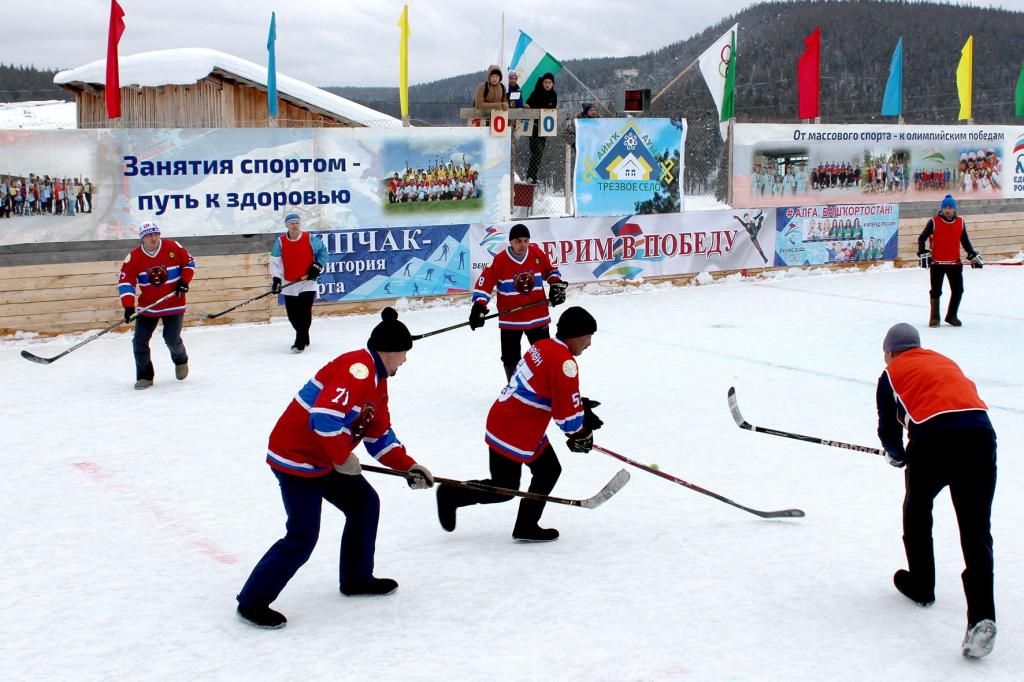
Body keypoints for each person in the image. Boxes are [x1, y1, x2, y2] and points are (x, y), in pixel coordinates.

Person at [236, 308, 435, 629]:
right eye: (404, 354)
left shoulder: (377, 381)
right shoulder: (357, 370)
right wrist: (343, 457)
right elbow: (323, 417)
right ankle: (252, 601)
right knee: (302, 535)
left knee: (364, 505)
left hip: (326, 457)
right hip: (296, 458)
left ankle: (356, 578)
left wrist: (408, 467)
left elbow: (379, 434)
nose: (405, 361)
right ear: (390, 351)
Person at [876, 323, 997, 658]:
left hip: (934, 442)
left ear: (890, 352)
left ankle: (922, 585)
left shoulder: (891, 374)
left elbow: (889, 427)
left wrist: (898, 455)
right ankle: (982, 618)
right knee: (975, 530)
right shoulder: (943, 360)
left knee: (916, 510)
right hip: (980, 435)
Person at [435, 306, 601, 542]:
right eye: (589, 337)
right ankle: (453, 494)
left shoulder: (543, 346)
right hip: (515, 430)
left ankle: (526, 525)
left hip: (508, 420)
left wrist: (579, 407)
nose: (589, 343)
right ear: (577, 334)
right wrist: (581, 431)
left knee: (548, 470)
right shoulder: (566, 363)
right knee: (505, 488)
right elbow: (566, 419)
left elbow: (548, 390)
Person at [469, 223, 567, 381]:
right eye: (518, 241)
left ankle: (546, 386)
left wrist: (556, 285)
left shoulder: (536, 253)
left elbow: (550, 270)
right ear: (511, 242)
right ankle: (514, 388)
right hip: (511, 319)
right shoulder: (500, 260)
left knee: (544, 355)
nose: (523, 245)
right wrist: (479, 305)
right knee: (510, 358)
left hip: (537, 316)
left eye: (525, 241)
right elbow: (485, 282)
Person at [118, 222, 195, 390]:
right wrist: (129, 307)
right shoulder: (134, 257)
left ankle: (180, 359)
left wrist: (184, 281)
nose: (153, 238)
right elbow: (126, 283)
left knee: (171, 339)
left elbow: (189, 264)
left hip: (174, 303)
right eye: (148, 235)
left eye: (155, 234)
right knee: (139, 341)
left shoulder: (173, 246)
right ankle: (145, 376)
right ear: (142, 239)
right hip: (148, 307)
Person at [917, 195, 983, 328]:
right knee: (936, 291)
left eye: (950, 207)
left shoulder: (960, 222)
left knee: (958, 290)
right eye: (945, 207)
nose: (947, 210)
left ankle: (951, 316)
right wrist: (922, 251)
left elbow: (965, 241)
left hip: (955, 263)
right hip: (937, 264)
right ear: (942, 208)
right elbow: (922, 238)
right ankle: (934, 318)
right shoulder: (933, 221)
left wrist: (972, 255)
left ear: (954, 209)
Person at [270, 212, 328, 353]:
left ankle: (299, 341)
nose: (295, 226)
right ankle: (304, 335)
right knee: (293, 315)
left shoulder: (310, 239)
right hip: (289, 281)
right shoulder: (281, 242)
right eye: (292, 223)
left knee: (304, 311)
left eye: (297, 223)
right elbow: (275, 262)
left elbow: (323, 252)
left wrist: (317, 265)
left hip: (307, 281)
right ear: (287, 226)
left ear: (300, 224)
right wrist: (276, 279)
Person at [524, 72, 557, 183]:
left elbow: (552, 109)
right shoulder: (536, 92)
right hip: (534, 126)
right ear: (542, 83)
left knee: (540, 152)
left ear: (552, 84)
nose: (547, 84)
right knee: (535, 151)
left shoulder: (554, 95)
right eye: (546, 82)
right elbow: (528, 103)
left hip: (545, 127)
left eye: (550, 82)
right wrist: (529, 106)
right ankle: (530, 176)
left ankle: (534, 176)